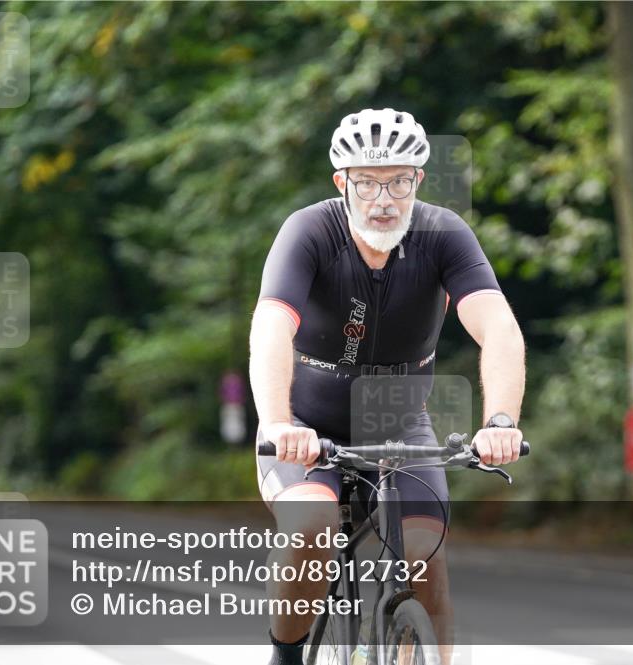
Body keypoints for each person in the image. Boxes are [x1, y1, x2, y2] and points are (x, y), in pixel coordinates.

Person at [250, 108, 526, 665]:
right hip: (306, 425)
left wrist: (500, 421)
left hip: (400, 426)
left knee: (426, 559)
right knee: (312, 530)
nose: (383, 199)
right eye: (367, 183)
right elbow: (271, 326)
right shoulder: (309, 231)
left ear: (418, 181)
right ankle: (286, 657)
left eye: (398, 182)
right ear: (342, 183)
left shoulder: (444, 234)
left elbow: (497, 326)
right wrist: (278, 423)